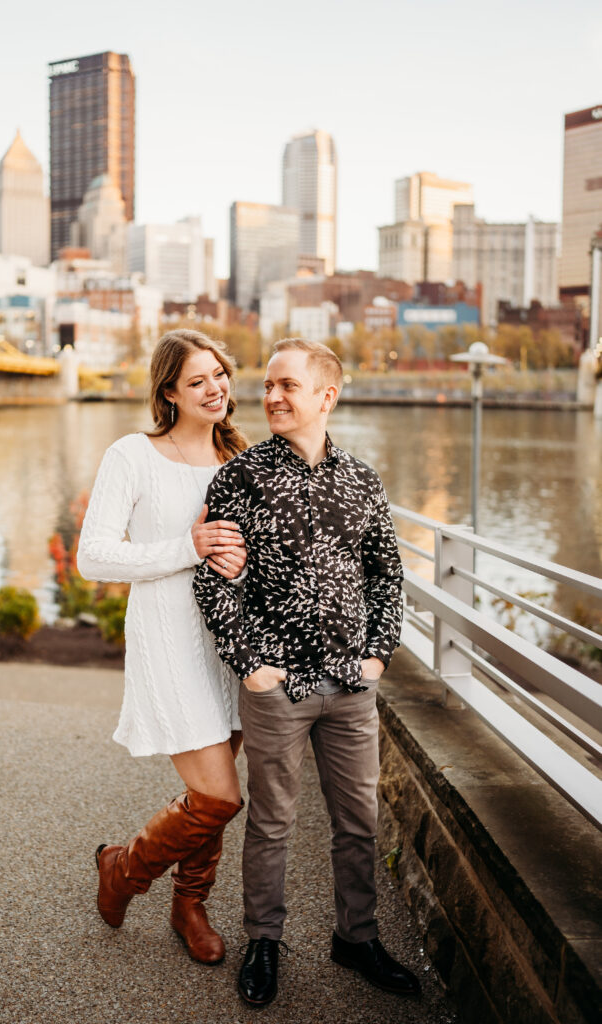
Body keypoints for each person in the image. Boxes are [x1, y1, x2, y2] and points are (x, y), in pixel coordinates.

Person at [193, 338, 421, 1005]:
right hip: (277, 687)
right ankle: (263, 941)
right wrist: (251, 666)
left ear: (326, 395)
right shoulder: (239, 477)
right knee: (272, 820)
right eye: (265, 385)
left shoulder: (362, 480)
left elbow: (386, 574)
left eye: (286, 386)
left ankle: (356, 938)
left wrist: (378, 653)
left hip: (352, 684)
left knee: (358, 820)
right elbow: (215, 584)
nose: (270, 397)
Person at [77, 328, 248, 965]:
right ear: (169, 392)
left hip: (232, 639)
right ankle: (123, 871)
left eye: (220, 375)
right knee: (218, 797)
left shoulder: (242, 459)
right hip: (170, 638)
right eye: (197, 380)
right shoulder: (134, 454)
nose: (214, 388)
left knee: (219, 789)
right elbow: (93, 555)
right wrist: (188, 548)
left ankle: (190, 903)